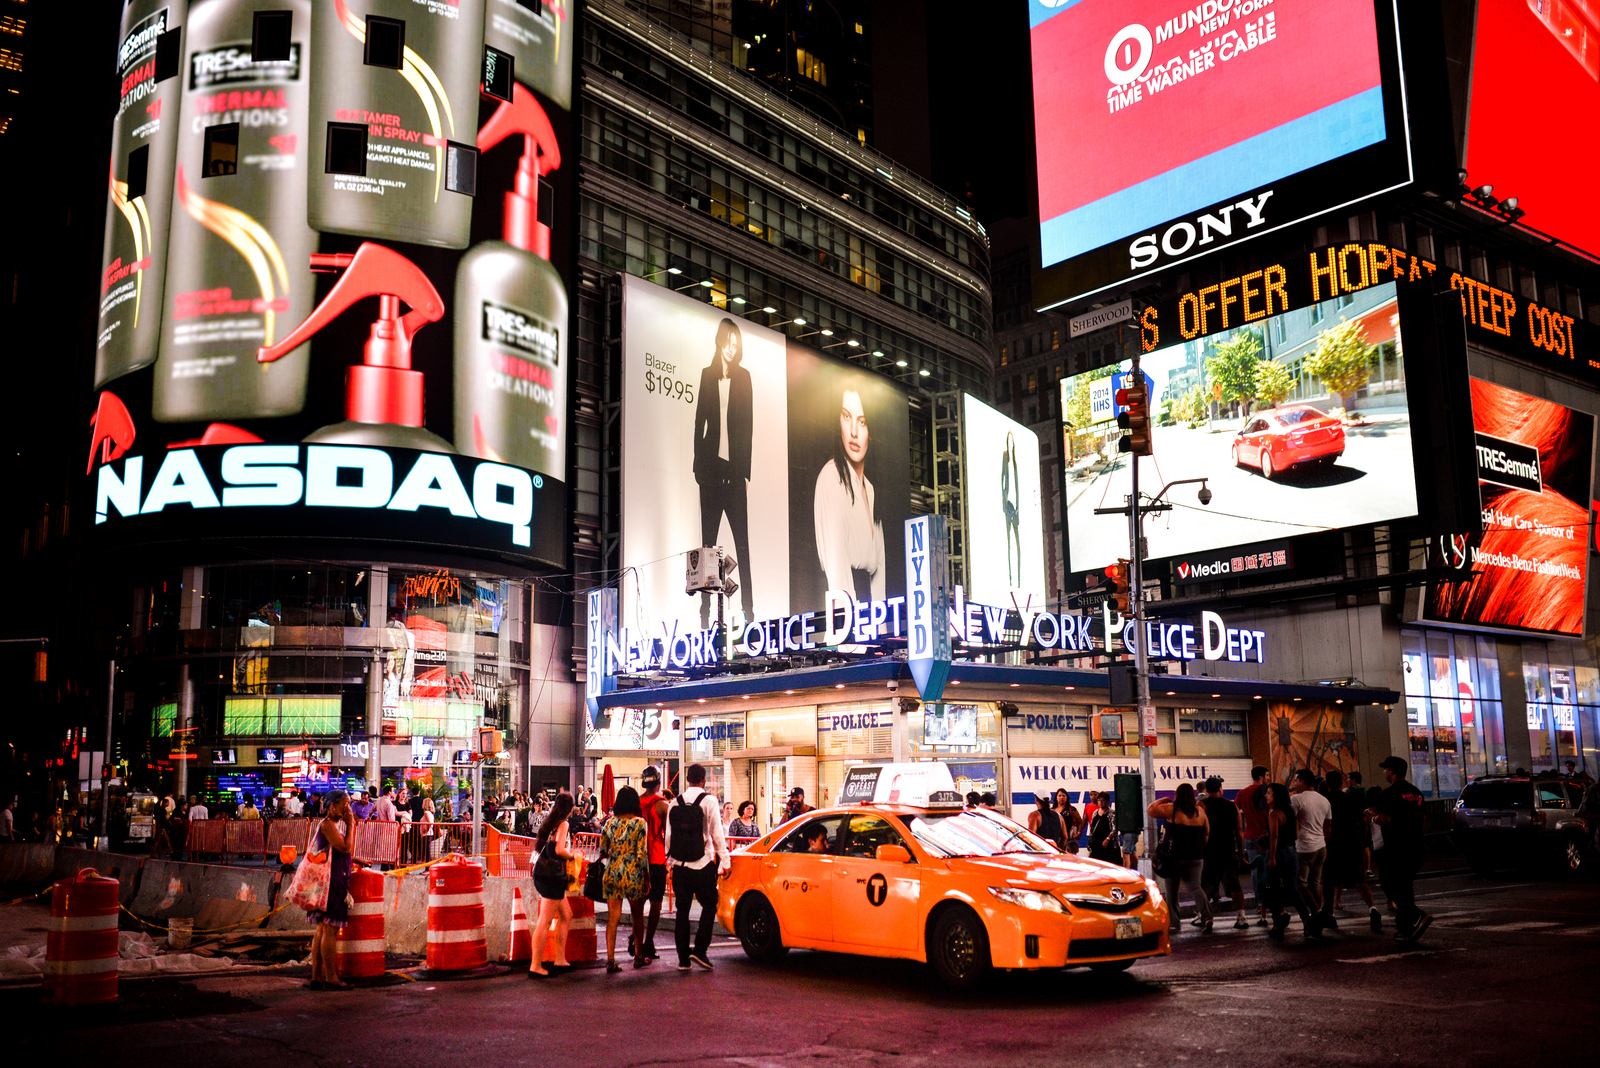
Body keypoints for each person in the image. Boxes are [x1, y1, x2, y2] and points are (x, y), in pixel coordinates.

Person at [693, 317, 756, 626]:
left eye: (736, 344)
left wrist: (744, 472)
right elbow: (699, 422)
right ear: (719, 342)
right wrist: (697, 465)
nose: (732, 349)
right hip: (710, 471)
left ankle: (750, 609)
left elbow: (748, 429)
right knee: (708, 545)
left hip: (733, 472)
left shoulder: (744, 378)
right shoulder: (707, 376)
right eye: (728, 343)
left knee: (742, 542)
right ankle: (704, 613)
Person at [813, 387, 886, 601]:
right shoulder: (832, 477)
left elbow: (879, 575)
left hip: (870, 617)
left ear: (872, 431)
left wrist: (881, 628)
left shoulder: (870, 490)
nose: (854, 431)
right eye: (846, 417)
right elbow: (837, 569)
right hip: (845, 614)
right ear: (838, 422)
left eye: (862, 422)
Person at [664, 763, 730, 973]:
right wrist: (725, 861)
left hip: (680, 866)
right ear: (703, 780)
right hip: (702, 864)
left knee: (682, 911)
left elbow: (668, 838)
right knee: (710, 904)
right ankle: (700, 949)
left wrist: (671, 861)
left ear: (688, 779)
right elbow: (717, 835)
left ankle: (683, 959)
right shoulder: (709, 801)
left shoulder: (675, 802)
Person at [1366, 756, 1431, 943]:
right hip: (1416, 845)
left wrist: (1373, 818)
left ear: (1392, 772)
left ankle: (1416, 915)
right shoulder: (1416, 793)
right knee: (1405, 886)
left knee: (1390, 884)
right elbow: (1423, 818)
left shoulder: (1389, 794)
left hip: (1396, 847)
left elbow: (1384, 819)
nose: (1384, 772)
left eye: (1386, 769)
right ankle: (1405, 928)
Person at [1319, 770, 1380, 932]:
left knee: (1328, 880)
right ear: (1341, 782)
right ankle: (1373, 908)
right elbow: (1362, 820)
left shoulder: (1326, 801)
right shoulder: (1350, 798)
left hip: (1332, 845)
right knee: (1360, 880)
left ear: (1327, 783)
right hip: (1351, 844)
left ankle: (1329, 913)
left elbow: (1325, 824)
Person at [306, 790, 355, 990]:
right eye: (345, 804)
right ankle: (331, 977)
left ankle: (317, 976)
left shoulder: (330, 825)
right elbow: (344, 848)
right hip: (331, 883)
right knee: (330, 929)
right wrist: (351, 824)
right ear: (332, 806)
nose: (348, 809)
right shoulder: (327, 825)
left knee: (321, 929)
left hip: (328, 881)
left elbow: (334, 850)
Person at [599, 786, 650, 973]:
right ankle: (638, 956)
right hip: (632, 872)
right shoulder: (640, 823)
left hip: (612, 872)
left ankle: (610, 959)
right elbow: (641, 854)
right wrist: (646, 877)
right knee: (637, 917)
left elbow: (603, 850)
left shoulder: (609, 823)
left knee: (613, 917)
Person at [1149, 784, 1212, 933]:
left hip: (1174, 858)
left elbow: (1150, 809)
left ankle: (1175, 923)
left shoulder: (1172, 809)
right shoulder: (1200, 812)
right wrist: (1199, 849)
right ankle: (1207, 917)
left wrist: (1162, 799)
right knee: (1196, 888)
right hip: (1196, 857)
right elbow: (1206, 833)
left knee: (1172, 891)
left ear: (1177, 794)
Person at [529, 792, 576, 978]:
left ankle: (560, 959)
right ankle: (535, 965)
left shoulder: (551, 822)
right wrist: (574, 855)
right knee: (544, 922)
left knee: (566, 915)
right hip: (552, 877)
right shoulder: (563, 823)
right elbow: (559, 849)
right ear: (570, 808)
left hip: (544, 874)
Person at [1262, 782, 1315, 941]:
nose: (1266, 795)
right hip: (1292, 852)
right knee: (1292, 888)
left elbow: (1274, 836)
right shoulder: (1290, 812)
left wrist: (1271, 857)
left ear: (1276, 796)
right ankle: (1306, 918)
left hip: (1278, 854)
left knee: (1269, 885)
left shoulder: (1274, 813)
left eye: (1269, 793)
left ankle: (1279, 919)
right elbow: (1296, 833)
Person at [1199, 778, 1249, 930]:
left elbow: (1198, 828)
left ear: (1206, 790)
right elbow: (1239, 832)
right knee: (1235, 885)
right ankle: (1241, 917)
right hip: (1228, 850)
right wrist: (1240, 853)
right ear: (1221, 789)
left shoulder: (1202, 806)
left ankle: (1207, 919)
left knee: (1207, 887)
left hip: (1209, 852)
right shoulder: (1231, 805)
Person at [635, 766, 670, 965]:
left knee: (638, 903)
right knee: (656, 902)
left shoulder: (635, 803)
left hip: (638, 859)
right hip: (656, 858)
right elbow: (669, 836)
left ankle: (638, 943)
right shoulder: (663, 805)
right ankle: (648, 942)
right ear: (658, 783)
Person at [1289, 769, 1332, 926]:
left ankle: (1316, 912)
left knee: (1300, 883)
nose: (1294, 783)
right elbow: (1328, 826)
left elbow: (1290, 821)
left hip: (1304, 846)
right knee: (1315, 882)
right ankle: (1318, 912)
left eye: (1296, 780)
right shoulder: (1324, 800)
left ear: (1302, 781)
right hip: (1321, 845)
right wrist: (1324, 841)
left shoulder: (1297, 799)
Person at [1235, 765, 1271, 927]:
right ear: (1263, 776)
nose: (1269, 778)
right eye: (1268, 775)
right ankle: (1269, 904)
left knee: (1256, 871)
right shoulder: (1268, 792)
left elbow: (1237, 810)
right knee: (1270, 870)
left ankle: (1259, 902)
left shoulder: (1243, 793)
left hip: (1250, 836)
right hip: (1268, 837)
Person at [1001, 430, 1021, 588]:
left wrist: (1017, 511)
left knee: (1017, 542)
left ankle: (1018, 580)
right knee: (1009, 542)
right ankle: (1010, 579)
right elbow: (1003, 482)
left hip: (1014, 509)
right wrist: (1005, 505)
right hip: (1009, 508)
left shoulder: (1015, 465)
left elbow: (1017, 489)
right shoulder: (1005, 461)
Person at [1086, 791, 1120, 863]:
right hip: (1096, 844)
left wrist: (1107, 839)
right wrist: (1090, 840)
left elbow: (1115, 829)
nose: (1100, 802)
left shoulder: (1112, 813)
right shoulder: (1095, 812)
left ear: (1107, 801)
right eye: (1099, 800)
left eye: (1103, 800)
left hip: (1108, 844)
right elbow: (1092, 828)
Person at [1054, 788, 1084, 854]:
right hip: (1056, 840)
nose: (1061, 797)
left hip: (1069, 841)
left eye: (1064, 795)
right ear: (1056, 797)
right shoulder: (1052, 810)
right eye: (1059, 795)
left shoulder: (1071, 809)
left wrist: (1078, 833)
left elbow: (1080, 822)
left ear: (1067, 798)